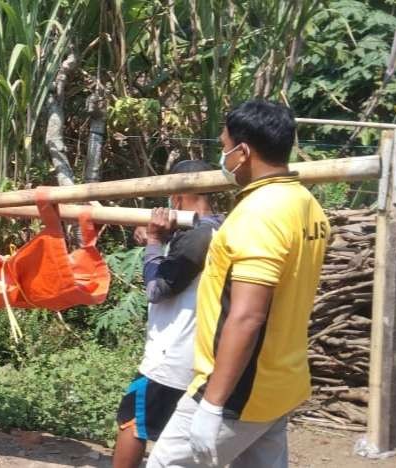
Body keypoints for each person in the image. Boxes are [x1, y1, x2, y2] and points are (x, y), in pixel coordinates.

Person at [146, 101, 330, 468]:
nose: (223, 156)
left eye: (225, 145)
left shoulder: (259, 214)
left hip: (239, 389)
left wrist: (212, 405)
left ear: (242, 152)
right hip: (280, 382)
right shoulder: (307, 204)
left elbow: (247, 316)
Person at [113, 160, 224, 468]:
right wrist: (161, 242)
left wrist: (153, 243)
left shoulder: (198, 236)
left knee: (133, 421)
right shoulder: (220, 228)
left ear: (176, 197)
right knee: (177, 438)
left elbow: (157, 290)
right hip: (203, 358)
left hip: (170, 357)